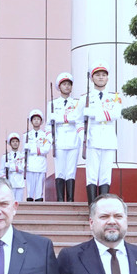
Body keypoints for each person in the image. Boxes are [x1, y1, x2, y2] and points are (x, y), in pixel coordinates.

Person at [82, 64, 122, 203]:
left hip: (108, 139)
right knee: (92, 175)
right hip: (92, 138)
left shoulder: (114, 97)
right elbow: (78, 119)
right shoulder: (85, 98)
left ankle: (102, 205)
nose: (101, 77)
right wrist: (83, 136)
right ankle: (92, 206)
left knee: (105, 175)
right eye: (97, 75)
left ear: (107, 78)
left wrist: (94, 114)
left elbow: (116, 113)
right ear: (92, 78)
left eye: (103, 75)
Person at [47, 73, 83, 202]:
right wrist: (51, 140)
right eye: (64, 84)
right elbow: (48, 125)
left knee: (71, 171)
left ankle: (71, 199)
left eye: (69, 84)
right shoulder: (52, 104)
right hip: (60, 139)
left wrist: (61, 118)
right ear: (59, 87)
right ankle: (61, 199)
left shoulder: (77, 103)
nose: (67, 87)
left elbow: (79, 119)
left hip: (73, 138)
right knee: (60, 170)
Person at [23, 110, 51, 201]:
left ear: (41, 121)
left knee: (39, 187)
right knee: (30, 189)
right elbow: (24, 151)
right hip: (30, 163)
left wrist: (33, 149)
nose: (36, 121)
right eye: (34, 119)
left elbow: (46, 149)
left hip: (41, 163)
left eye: (38, 119)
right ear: (31, 121)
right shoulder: (26, 135)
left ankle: (39, 200)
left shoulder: (45, 135)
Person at [2, 134, 26, 203]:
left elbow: (22, 168)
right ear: (10, 144)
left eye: (16, 141)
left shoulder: (22, 156)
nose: (15, 143)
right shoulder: (5, 157)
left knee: (19, 203)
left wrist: (11, 167)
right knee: (10, 203)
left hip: (19, 183)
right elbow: (2, 172)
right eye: (13, 142)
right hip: (10, 182)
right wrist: (5, 181)